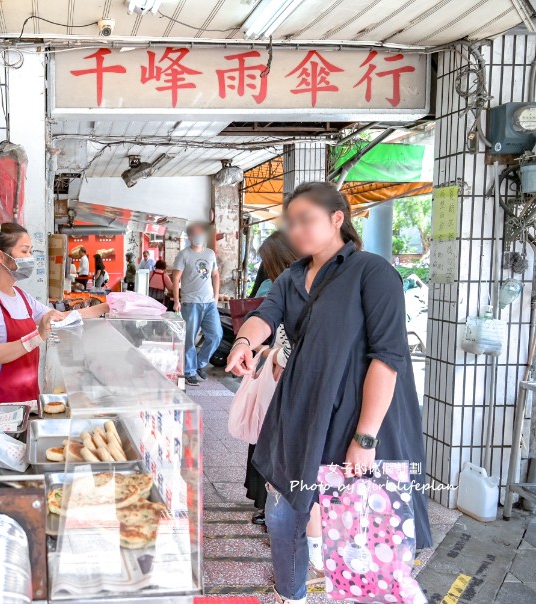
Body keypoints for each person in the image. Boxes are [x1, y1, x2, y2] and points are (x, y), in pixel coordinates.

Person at [226, 182, 431, 604]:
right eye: (291, 222)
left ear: (338, 219)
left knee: (365, 530)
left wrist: (365, 438)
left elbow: (388, 358)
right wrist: (244, 343)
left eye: (307, 219)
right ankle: (292, 595)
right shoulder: (291, 276)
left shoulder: (373, 272)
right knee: (284, 513)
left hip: (358, 418)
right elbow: (264, 316)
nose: (296, 230)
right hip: (302, 415)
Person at [0, 223, 108, 403]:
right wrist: (37, 337)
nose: (30, 258)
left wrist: (107, 306)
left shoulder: (21, 296)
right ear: (0, 256)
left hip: (27, 400)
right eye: (24, 252)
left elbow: (58, 318)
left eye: (30, 251)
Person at [242, 230, 298, 528]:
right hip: (278, 378)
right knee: (270, 442)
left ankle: (275, 511)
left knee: (276, 445)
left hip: (288, 384)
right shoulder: (288, 284)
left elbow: (292, 345)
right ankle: (270, 507)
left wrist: (274, 356)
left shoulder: (294, 286)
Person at [172, 223, 222, 386]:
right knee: (189, 339)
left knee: (216, 335)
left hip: (209, 303)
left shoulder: (210, 254)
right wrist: (177, 301)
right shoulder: (183, 255)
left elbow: (215, 275)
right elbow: (176, 278)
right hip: (190, 303)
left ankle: (200, 364)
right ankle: (189, 371)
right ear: (190, 237)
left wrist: (215, 297)